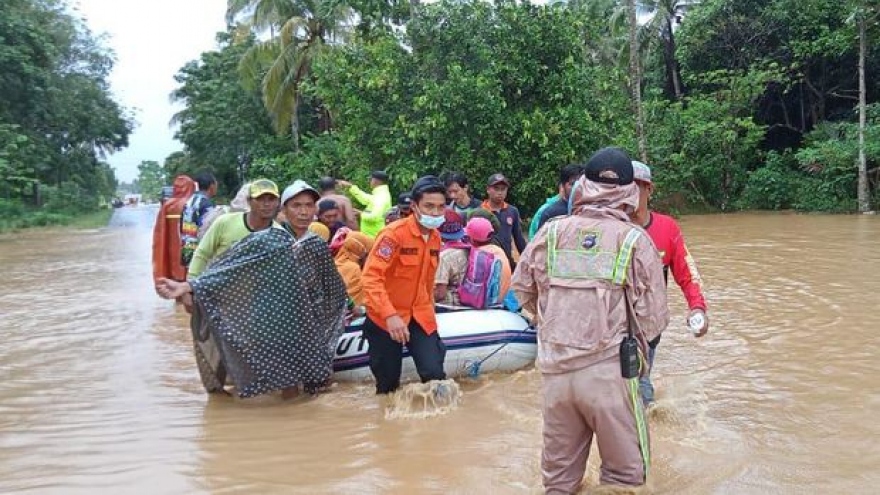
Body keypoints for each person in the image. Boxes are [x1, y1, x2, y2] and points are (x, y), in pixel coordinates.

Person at [512, 147, 670, 492]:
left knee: (559, 481)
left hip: (554, 373)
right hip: (610, 375)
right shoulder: (634, 240)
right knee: (625, 479)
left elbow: (522, 290)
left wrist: (555, 320)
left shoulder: (550, 233)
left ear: (583, 184)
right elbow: (654, 319)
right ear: (630, 191)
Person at [155, 223, 347, 399]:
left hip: (306, 318)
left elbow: (331, 284)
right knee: (284, 380)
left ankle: (300, 412)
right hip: (265, 314)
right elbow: (230, 269)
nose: (303, 211)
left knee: (316, 380)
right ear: (284, 208)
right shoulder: (265, 239)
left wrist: (350, 306)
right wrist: (190, 286)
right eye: (296, 205)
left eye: (308, 205)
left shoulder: (314, 244)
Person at [630, 161, 709, 407]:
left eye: (637, 188)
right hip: (613, 323)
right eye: (624, 188)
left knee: (640, 381)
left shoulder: (667, 228)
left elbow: (687, 272)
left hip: (649, 324)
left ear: (649, 189)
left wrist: (697, 307)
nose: (630, 194)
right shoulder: (610, 228)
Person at [360, 175, 448, 394]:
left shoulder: (436, 237)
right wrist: (390, 315)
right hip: (385, 318)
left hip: (419, 315)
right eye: (429, 206)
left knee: (434, 375)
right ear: (415, 206)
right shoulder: (393, 236)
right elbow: (371, 278)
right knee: (388, 385)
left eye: (440, 207)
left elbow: (426, 282)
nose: (435, 213)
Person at [188, 179, 281, 279]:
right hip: (217, 287)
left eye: (271, 199)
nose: (266, 204)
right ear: (249, 201)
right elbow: (202, 253)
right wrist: (191, 283)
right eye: (260, 199)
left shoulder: (279, 235)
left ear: (278, 203)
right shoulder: (225, 222)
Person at [152, 175, 195, 288]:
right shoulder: (195, 204)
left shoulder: (168, 205)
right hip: (193, 255)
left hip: (173, 257)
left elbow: (160, 234)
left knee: (177, 288)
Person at [482, 173, 527, 261]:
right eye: (496, 188)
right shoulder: (481, 212)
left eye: (503, 189)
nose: (500, 192)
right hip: (486, 261)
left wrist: (527, 259)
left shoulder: (512, 211)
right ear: (488, 189)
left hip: (507, 260)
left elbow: (519, 239)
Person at [465, 217, 512, 302]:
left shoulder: (478, 255)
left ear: (471, 238)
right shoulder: (498, 250)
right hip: (503, 301)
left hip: (489, 303)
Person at [180, 171, 218, 267]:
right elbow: (209, 228)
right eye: (216, 184)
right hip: (200, 251)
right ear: (211, 186)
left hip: (187, 248)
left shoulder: (189, 201)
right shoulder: (206, 204)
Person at [532, 164, 584, 235]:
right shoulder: (551, 213)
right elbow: (539, 243)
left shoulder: (590, 211)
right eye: (573, 184)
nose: (577, 188)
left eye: (581, 184)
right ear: (562, 186)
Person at [339, 170, 393, 238]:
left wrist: (360, 213)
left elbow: (374, 217)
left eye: (371, 179)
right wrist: (351, 187)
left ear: (376, 181)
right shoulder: (379, 194)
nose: (369, 182)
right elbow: (365, 199)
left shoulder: (381, 197)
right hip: (372, 234)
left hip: (374, 235)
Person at [434, 210, 470, 306]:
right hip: (469, 302)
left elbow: (440, 293)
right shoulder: (469, 248)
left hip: (450, 306)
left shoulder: (444, 257)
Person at [334, 231, 375, 315]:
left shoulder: (336, 262)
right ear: (360, 250)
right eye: (367, 253)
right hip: (350, 315)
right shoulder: (353, 268)